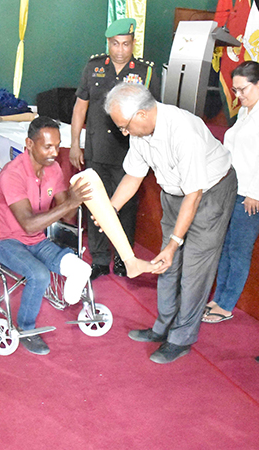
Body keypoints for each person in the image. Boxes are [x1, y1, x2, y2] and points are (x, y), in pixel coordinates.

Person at [104, 82, 237, 364]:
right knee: (165, 264)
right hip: (175, 194)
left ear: (141, 114)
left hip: (209, 194)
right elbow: (133, 176)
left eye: (124, 127)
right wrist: (110, 209)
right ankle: (162, 327)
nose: (124, 133)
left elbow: (194, 194)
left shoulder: (183, 131)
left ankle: (181, 338)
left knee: (194, 269)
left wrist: (175, 243)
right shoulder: (140, 131)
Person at [70, 17, 160, 280]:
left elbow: (154, 112)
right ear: (108, 43)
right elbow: (80, 107)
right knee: (95, 204)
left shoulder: (146, 72)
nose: (120, 50)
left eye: (126, 44)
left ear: (133, 43)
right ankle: (99, 258)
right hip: (97, 148)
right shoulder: (94, 67)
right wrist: (75, 143)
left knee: (126, 206)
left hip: (129, 152)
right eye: (115, 44)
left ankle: (123, 258)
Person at [0, 116, 93, 356]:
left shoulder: (54, 169)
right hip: (8, 241)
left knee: (82, 268)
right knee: (39, 275)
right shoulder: (12, 175)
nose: (55, 153)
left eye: (57, 146)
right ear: (29, 144)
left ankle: (70, 300)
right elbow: (28, 225)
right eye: (48, 146)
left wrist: (77, 198)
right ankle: (26, 328)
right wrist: (68, 203)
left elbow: (68, 215)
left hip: (38, 240)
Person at [202, 61, 259, 323]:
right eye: (235, 90)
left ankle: (226, 304)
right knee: (227, 246)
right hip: (235, 188)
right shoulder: (246, 110)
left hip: (253, 194)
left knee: (239, 249)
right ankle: (219, 297)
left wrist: (256, 193)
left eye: (243, 89)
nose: (238, 95)